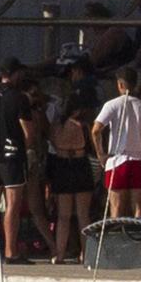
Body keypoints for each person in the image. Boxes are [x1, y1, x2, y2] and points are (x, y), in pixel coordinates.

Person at [0, 62, 34, 263]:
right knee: (12, 204)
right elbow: (28, 132)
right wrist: (25, 148)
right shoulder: (20, 98)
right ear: (15, 74)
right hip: (12, 155)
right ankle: (11, 251)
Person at [92, 67, 141, 219]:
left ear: (120, 84)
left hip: (117, 161)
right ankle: (139, 239)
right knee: (139, 208)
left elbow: (96, 130)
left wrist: (101, 155)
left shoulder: (112, 105)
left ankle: (118, 240)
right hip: (139, 161)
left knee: (117, 208)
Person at [46, 95, 94, 264]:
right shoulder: (83, 126)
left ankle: (59, 254)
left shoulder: (57, 125)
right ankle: (86, 254)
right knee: (83, 214)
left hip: (62, 165)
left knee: (63, 215)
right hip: (81, 165)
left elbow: (52, 141)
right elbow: (92, 146)